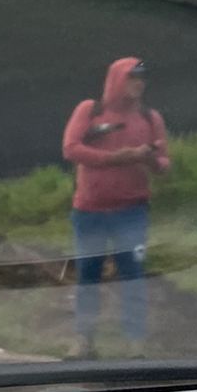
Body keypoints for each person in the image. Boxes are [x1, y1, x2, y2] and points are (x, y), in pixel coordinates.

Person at [62, 56, 169, 358]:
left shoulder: (150, 117)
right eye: (133, 76)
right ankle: (84, 341)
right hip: (89, 210)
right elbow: (71, 148)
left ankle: (135, 345)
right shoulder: (90, 110)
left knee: (133, 273)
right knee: (87, 274)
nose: (139, 83)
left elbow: (163, 163)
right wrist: (118, 157)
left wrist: (148, 158)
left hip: (132, 210)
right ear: (117, 79)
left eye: (142, 77)